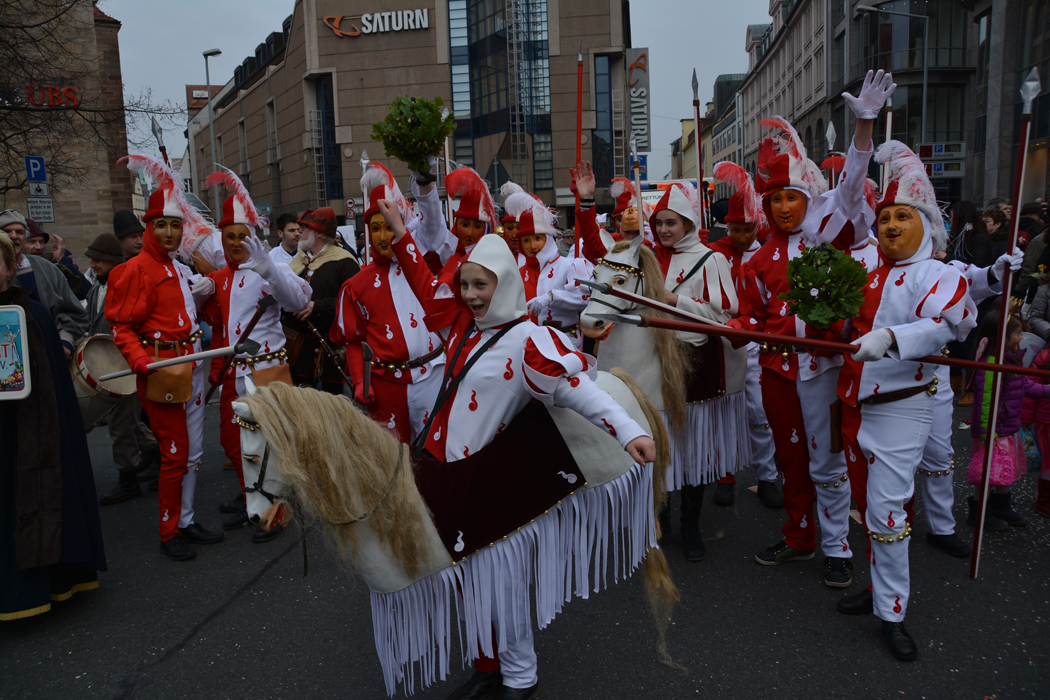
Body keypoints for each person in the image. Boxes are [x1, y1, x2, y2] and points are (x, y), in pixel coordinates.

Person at [381, 198, 655, 700]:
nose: (470, 294)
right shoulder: (460, 325)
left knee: (499, 587)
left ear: (504, 283)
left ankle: (520, 678)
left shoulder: (529, 339)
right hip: (445, 473)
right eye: (465, 284)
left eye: (480, 284)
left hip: (490, 482)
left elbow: (578, 392)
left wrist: (628, 430)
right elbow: (424, 286)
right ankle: (488, 667)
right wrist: (401, 234)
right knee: (467, 580)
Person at [730, 70, 894, 588]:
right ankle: (799, 537)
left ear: (807, 198)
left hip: (822, 369)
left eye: (791, 197)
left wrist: (863, 129)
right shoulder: (756, 260)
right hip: (779, 371)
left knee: (827, 462)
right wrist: (734, 327)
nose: (783, 207)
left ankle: (837, 545)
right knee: (791, 458)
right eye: (775, 199)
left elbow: (849, 191)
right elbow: (753, 317)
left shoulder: (828, 230)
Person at [835, 140, 977, 661]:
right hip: (854, 402)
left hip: (901, 406)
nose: (891, 225)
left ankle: (892, 611)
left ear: (926, 223)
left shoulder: (939, 274)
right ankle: (876, 589)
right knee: (868, 506)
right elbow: (845, 324)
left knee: (886, 512)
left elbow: (945, 326)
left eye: (903, 215)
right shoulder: (868, 272)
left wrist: (893, 339)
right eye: (886, 216)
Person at [105, 154, 223, 561]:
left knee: (191, 453)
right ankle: (170, 530)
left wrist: (203, 293)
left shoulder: (178, 268)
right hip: (163, 373)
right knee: (174, 455)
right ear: (149, 226)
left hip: (191, 365)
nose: (171, 232)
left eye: (176, 224)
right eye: (163, 225)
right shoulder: (135, 271)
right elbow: (121, 327)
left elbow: (185, 312)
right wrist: (138, 359)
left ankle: (185, 520)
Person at [197, 168, 311, 542]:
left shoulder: (270, 268)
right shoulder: (221, 277)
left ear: (253, 236)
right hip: (235, 374)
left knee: (273, 447)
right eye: (229, 237)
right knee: (240, 447)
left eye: (242, 236)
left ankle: (279, 512)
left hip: (267, 372)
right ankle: (254, 502)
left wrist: (271, 272)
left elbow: (299, 301)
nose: (235, 243)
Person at [1, 231, 107, 621]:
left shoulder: (36, 314)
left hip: (32, 427)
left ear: (11, 269)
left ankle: (51, 578)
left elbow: (51, 386)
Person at [330, 162, 444, 443]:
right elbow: (353, 341)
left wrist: (425, 175)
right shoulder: (355, 286)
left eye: (389, 226)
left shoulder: (425, 265)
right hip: (386, 384)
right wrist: (359, 380)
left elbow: (433, 223)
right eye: (375, 228)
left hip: (434, 376)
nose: (383, 237)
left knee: (441, 456)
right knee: (393, 462)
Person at [707, 161, 782, 509]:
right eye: (736, 229)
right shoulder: (713, 254)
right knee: (722, 413)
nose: (741, 236)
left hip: (755, 346)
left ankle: (767, 476)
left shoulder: (766, 254)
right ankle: (726, 477)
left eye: (748, 229)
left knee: (760, 414)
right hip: (723, 344)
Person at [82, 233, 161, 505]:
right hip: (107, 366)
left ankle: (128, 480)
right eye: (91, 260)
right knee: (128, 422)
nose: (93, 265)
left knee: (122, 424)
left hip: (126, 363)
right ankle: (159, 454)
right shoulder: (96, 288)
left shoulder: (127, 283)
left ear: (112, 261)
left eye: (97, 260)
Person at [966, 311, 1045, 530]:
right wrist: (986, 432)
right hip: (994, 431)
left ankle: (1001, 505)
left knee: (1004, 468)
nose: (1021, 338)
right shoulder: (992, 366)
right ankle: (979, 511)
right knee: (988, 471)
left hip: (1007, 428)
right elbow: (985, 402)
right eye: (1017, 333)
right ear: (1001, 337)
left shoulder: (1012, 358)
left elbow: (1026, 386)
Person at [284, 207, 360, 395]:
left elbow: (355, 302)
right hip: (299, 349)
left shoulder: (345, 262)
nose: (299, 232)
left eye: (304, 228)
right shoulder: (299, 261)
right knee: (302, 404)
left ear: (319, 233)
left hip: (331, 347)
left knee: (332, 405)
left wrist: (318, 306)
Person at [504, 192, 593, 350]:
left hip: (564, 344)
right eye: (526, 240)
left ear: (549, 238)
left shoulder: (570, 265)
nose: (532, 246)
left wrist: (552, 297)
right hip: (527, 346)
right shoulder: (517, 272)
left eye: (538, 238)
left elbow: (584, 298)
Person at [0, 209, 87, 359]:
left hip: (50, 354)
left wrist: (65, 340)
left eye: (19, 232)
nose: (14, 236)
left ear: (25, 238)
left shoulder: (48, 270)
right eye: (7, 231)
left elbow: (76, 314)